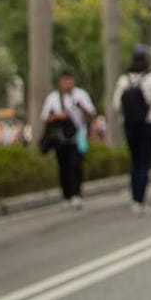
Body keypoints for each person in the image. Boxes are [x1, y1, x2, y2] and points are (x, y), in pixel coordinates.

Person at [112, 45, 151, 215]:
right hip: (147, 124)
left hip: (129, 125)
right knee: (144, 162)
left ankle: (134, 197)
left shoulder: (123, 80)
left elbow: (116, 105)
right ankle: (140, 199)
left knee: (135, 160)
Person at [38, 71, 97, 207]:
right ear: (60, 82)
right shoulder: (53, 98)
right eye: (65, 81)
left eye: (69, 80)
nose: (67, 84)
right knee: (63, 166)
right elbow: (45, 117)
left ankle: (76, 194)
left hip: (78, 135)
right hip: (60, 138)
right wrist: (58, 116)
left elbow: (92, 114)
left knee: (75, 165)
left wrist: (81, 107)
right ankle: (66, 195)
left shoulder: (80, 95)